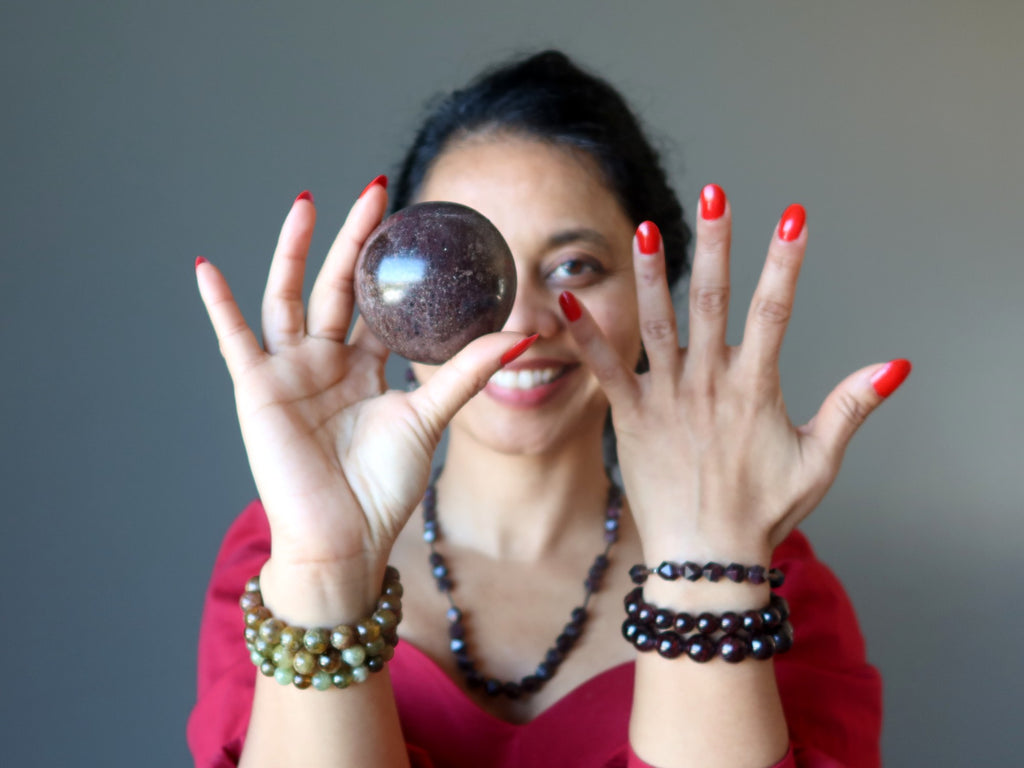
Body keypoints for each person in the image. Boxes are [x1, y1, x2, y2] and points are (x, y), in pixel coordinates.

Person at [189, 50, 903, 768]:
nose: (519, 321)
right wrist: (325, 568)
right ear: (385, 300)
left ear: (650, 289)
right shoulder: (274, 561)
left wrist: (708, 570)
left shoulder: (775, 590)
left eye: (574, 267)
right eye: (457, 270)